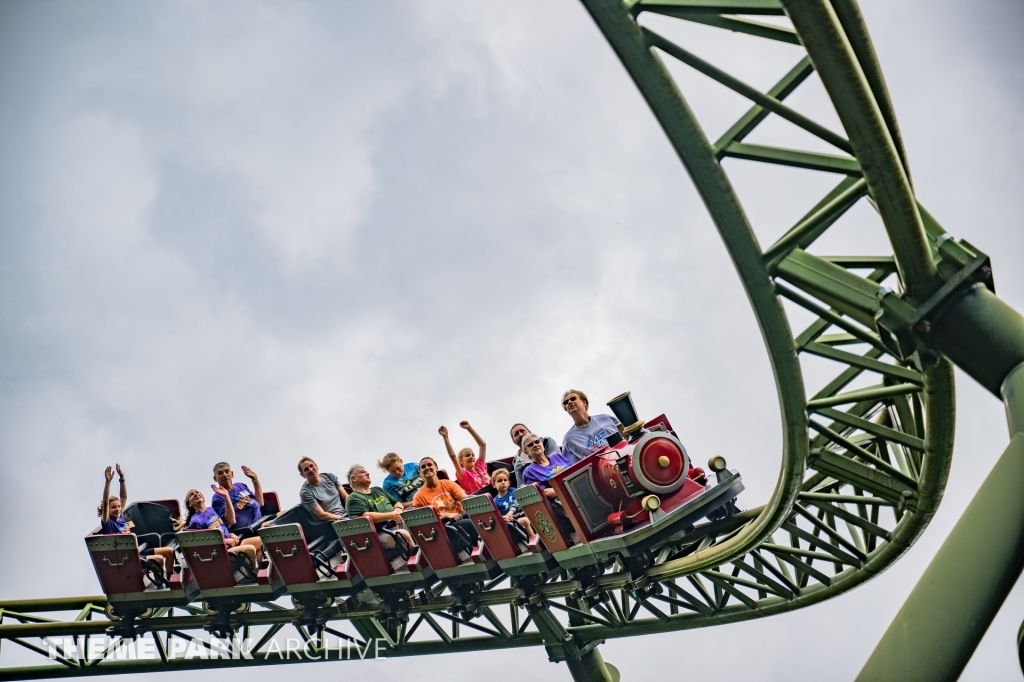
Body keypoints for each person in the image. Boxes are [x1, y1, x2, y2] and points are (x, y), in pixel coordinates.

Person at [97, 465, 175, 578]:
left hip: (139, 551)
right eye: (114, 507)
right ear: (107, 510)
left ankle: (170, 580)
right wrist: (108, 482)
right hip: (128, 558)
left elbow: (123, 497)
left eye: (119, 507)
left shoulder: (121, 518)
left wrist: (122, 478)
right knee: (158, 559)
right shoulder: (108, 524)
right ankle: (160, 584)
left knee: (169, 551)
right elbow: (105, 502)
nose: (118, 509)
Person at [177, 486, 264, 565]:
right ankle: (252, 577)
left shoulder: (211, 510)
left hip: (233, 544)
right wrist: (225, 541)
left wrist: (231, 534)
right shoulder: (196, 521)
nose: (196, 494)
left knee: (263, 541)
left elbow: (222, 527)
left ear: (203, 498)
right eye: (192, 495)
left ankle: (259, 571)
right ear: (190, 504)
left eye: (197, 492)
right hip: (221, 552)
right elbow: (203, 544)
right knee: (250, 549)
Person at [412, 457, 479, 550]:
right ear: (420, 473)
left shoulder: (448, 484)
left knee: (479, 518)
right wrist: (446, 515)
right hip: (444, 528)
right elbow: (425, 525)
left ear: (436, 467)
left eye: (429, 465)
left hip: (461, 515)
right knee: (469, 524)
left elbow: (465, 498)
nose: (427, 467)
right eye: (423, 467)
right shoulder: (418, 497)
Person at [345, 465, 415, 549]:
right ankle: (419, 559)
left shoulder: (378, 490)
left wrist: (398, 510)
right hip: (379, 535)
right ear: (353, 479)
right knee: (403, 534)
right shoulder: (353, 498)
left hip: (398, 522)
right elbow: (365, 517)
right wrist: (391, 515)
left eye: (366, 471)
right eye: (362, 472)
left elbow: (397, 503)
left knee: (420, 521)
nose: (367, 473)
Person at [560, 389, 621, 463]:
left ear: (584, 402)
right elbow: (570, 468)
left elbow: (627, 436)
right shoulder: (569, 439)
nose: (569, 402)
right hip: (604, 470)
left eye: (573, 398)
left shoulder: (606, 419)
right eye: (566, 402)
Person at [211, 462, 264, 532]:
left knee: (282, 515)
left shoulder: (240, 486)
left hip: (261, 521)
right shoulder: (218, 497)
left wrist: (255, 479)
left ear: (232, 474)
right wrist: (226, 496)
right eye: (220, 473)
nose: (225, 475)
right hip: (247, 530)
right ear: (215, 478)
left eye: (227, 471)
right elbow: (230, 521)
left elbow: (260, 503)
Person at [439, 421, 490, 493]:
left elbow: (483, 445)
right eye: (467, 455)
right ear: (460, 461)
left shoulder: (479, 466)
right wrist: (445, 437)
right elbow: (453, 456)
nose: (471, 457)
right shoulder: (464, 475)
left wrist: (469, 428)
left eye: (473, 455)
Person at [521, 433, 575, 499]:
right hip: (562, 500)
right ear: (526, 452)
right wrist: (569, 489)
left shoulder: (557, 456)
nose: (535, 445)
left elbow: (574, 471)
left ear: (542, 444)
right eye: (530, 445)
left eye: (537, 442)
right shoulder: (529, 472)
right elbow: (544, 492)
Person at [298, 457, 349, 522]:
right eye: (306, 469)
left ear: (316, 466)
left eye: (311, 466)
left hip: (344, 516)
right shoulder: (305, 492)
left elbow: (345, 497)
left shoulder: (329, 477)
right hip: (328, 523)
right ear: (302, 475)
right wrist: (344, 519)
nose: (310, 470)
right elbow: (322, 515)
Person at [490, 468, 534, 537]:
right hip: (511, 522)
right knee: (525, 520)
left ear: (509, 483)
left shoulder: (514, 491)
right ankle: (534, 545)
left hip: (520, 514)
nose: (503, 482)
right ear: (493, 485)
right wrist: (504, 517)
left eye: (505, 480)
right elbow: (496, 516)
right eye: (499, 481)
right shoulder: (495, 501)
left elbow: (519, 501)